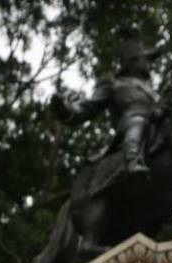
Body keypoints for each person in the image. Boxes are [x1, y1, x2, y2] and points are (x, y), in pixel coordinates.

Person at [55, 35, 162, 174]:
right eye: (145, 60)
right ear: (132, 61)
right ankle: (133, 159)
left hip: (156, 119)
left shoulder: (153, 91)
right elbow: (90, 106)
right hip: (132, 119)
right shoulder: (115, 84)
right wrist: (68, 110)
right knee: (138, 123)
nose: (149, 64)